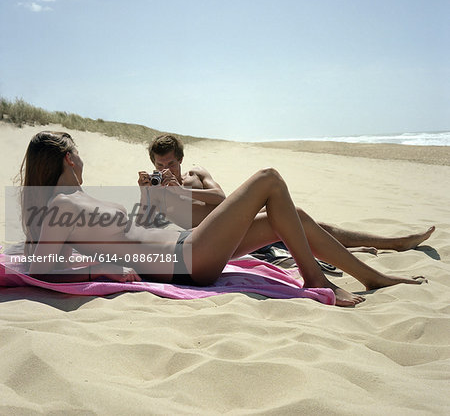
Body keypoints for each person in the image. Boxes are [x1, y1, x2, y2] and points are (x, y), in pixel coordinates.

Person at [22, 131, 426, 307]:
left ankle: (369, 275)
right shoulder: (60, 204)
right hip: (185, 261)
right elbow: (41, 265)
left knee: (292, 216)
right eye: (78, 153)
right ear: (68, 157)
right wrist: (106, 272)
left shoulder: (75, 197)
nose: (81, 158)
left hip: (187, 246)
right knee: (268, 179)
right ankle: (315, 280)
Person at [139, 134, 435, 253]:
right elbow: (148, 226)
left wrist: (181, 192)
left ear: (181, 159)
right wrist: (151, 194)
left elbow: (224, 199)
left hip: (239, 221)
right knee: (295, 230)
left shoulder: (195, 175)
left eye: (172, 163)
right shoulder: (155, 190)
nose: (167, 169)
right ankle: (384, 245)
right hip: (222, 240)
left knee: (307, 223)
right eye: (161, 165)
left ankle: (393, 242)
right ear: (154, 164)